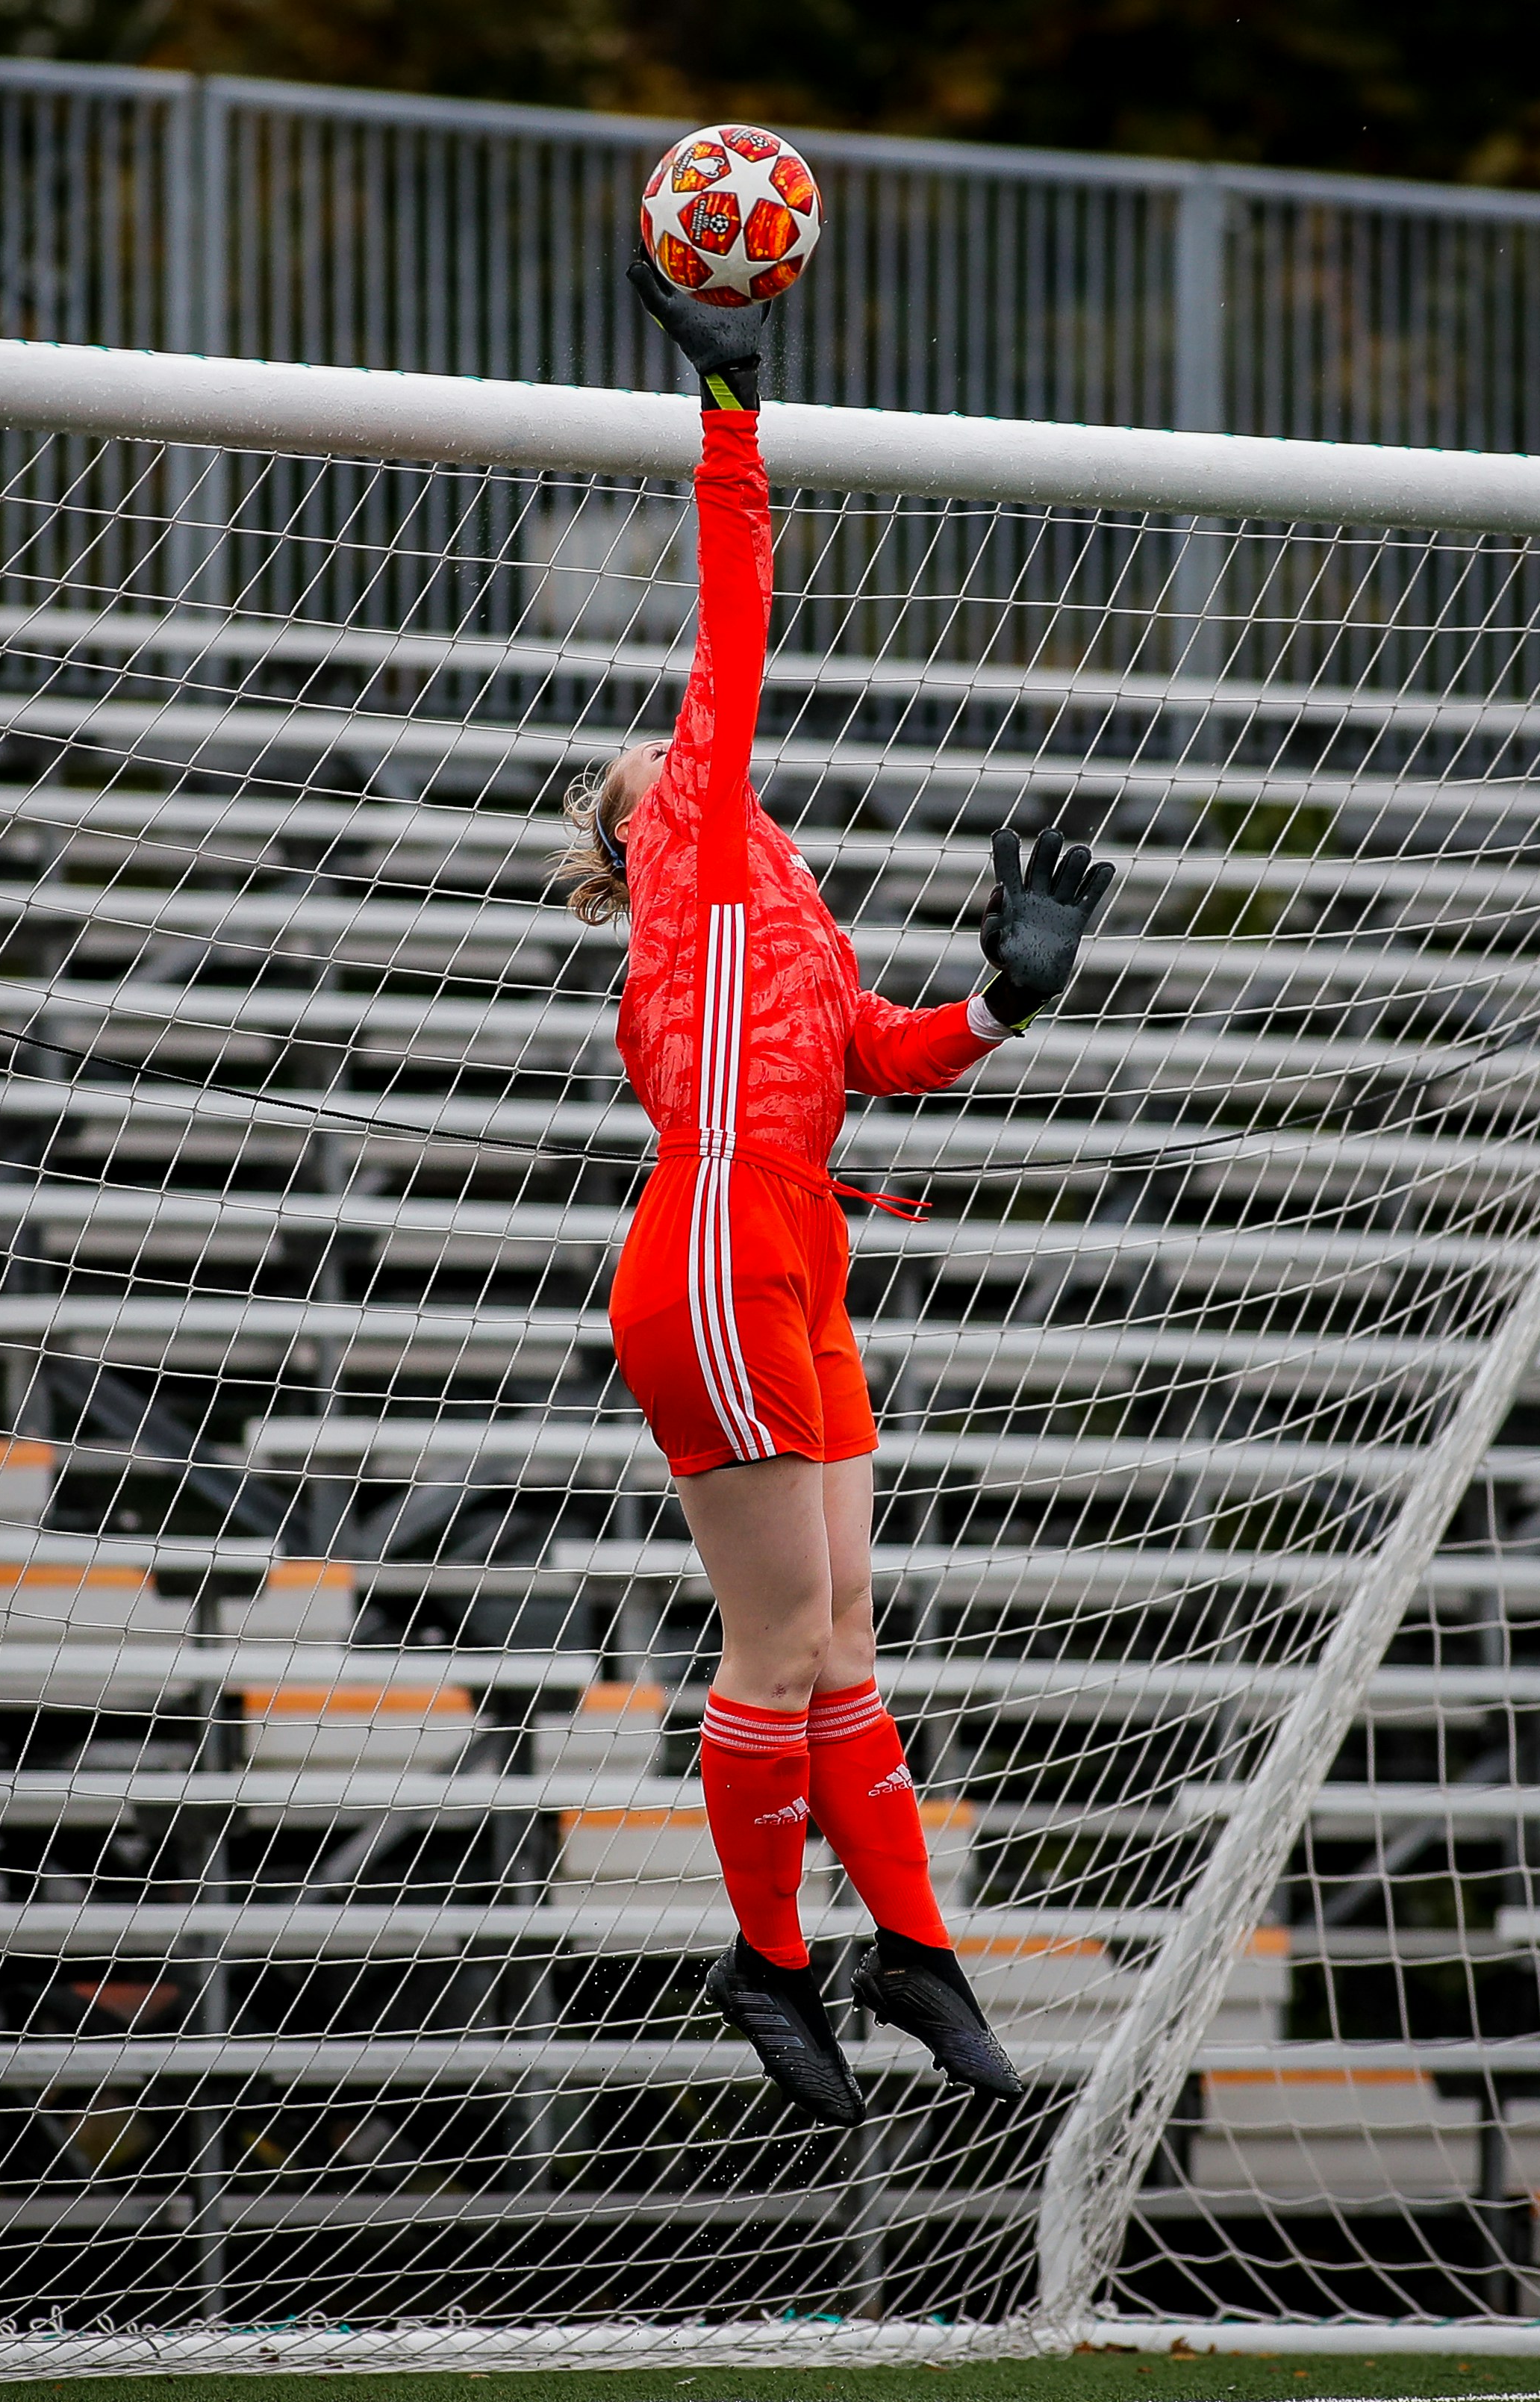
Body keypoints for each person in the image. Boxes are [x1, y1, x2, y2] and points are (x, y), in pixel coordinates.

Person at [551, 260, 1115, 2129]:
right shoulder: (694, 859)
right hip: (716, 1241)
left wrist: (1004, 1003)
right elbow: (732, 627)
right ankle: (772, 1960)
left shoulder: (773, 906)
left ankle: (911, 1949)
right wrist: (730, 407)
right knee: (781, 1644)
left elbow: (881, 1048)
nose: (666, 758)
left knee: (846, 1638)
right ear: (641, 833)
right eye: (638, 780)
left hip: (794, 1250)